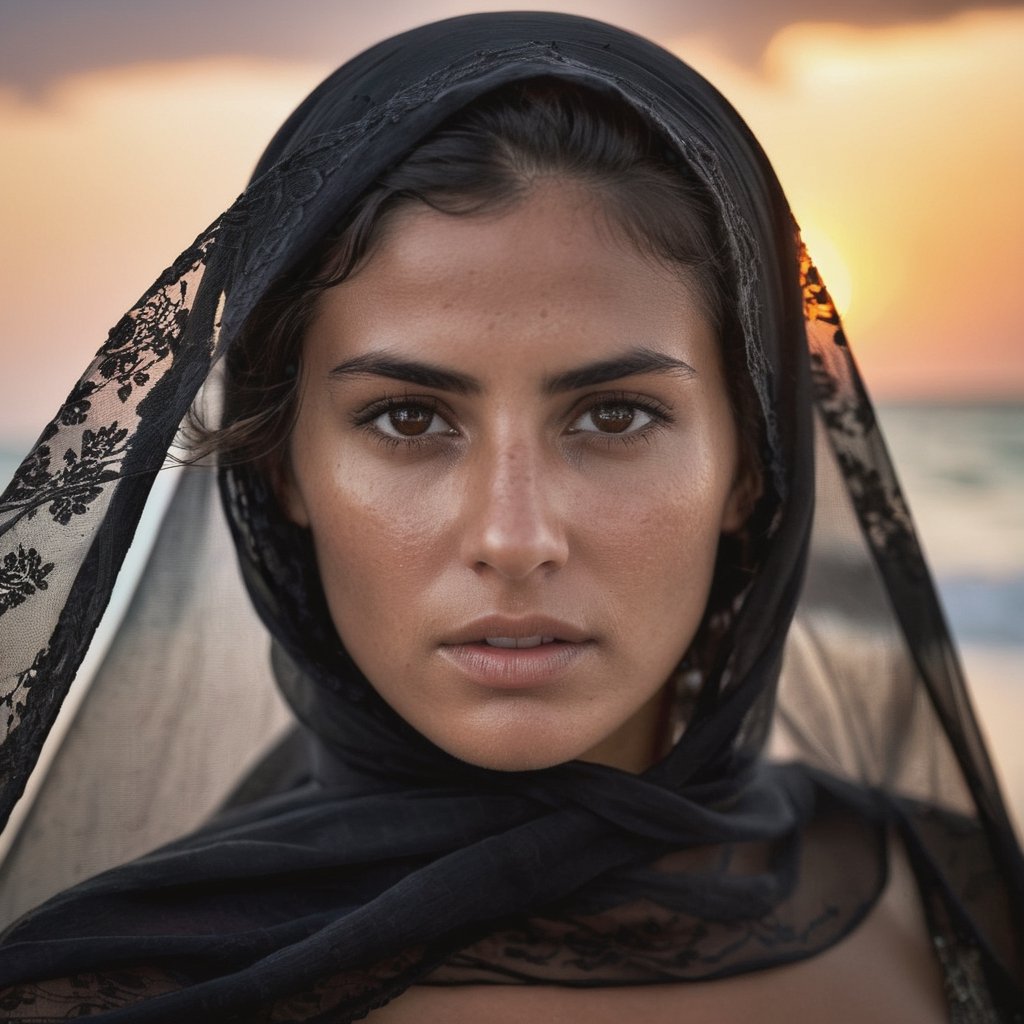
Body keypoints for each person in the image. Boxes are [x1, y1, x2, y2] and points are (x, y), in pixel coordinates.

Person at [0, 11, 1021, 1022]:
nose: (513, 537)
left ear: (750, 466)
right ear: (283, 469)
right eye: (408, 418)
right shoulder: (108, 991)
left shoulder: (962, 908)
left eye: (613, 415)